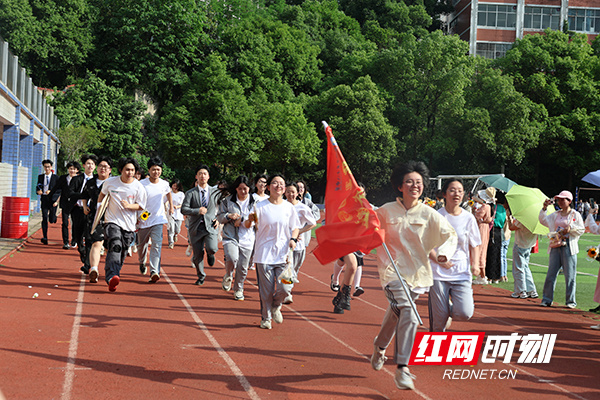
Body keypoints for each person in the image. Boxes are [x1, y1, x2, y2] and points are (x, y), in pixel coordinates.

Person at [370, 161, 457, 391]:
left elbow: (450, 235)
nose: (414, 186)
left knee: (396, 313)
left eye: (418, 182)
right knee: (407, 310)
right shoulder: (386, 210)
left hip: (417, 276)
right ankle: (403, 368)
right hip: (391, 271)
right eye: (409, 181)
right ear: (400, 185)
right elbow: (368, 228)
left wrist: (443, 256)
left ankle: (379, 346)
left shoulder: (429, 214)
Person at [245, 174, 300, 329]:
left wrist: (293, 239)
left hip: (284, 255)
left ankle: (276, 305)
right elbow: (249, 224)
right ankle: (266, 318)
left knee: (286, 287)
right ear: (268, 187)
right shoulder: (260, 206)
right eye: (274, 183)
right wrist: (249, 219)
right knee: (266, 291)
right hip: (264, 254)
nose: (278, 186)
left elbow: (295, 227)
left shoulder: (289, 207)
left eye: (281, 183)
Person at [428, 179, 482, 332]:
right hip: (438, 273)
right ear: (444, 194)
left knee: (465, 313)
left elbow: (475, 243)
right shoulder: (436, 217)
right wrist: (440, 260)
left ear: (464, 194)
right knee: (439, 321)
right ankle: (435, 352)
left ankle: (448, 310)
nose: (456, 193)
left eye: (459, 190)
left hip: (461, 273)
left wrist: (475, 265)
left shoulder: (468, 218)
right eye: (452, 190)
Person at [97, 157, 147, 292]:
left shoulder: (138, 187)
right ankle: (111, 276)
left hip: (129, 226)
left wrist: (129, 206)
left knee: (123, 252)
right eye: (127, 170)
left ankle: (114, 275)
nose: (130, 173)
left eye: (132, 170)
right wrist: (99, 208)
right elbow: (102, 195)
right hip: (112, 221)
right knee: (115, 244)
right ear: (121, 170)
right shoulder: (110, 182)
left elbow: (141, 206)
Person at [538, 190, 584, 308]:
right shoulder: (555, 214)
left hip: (569, 246)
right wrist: (544, 208)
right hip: (556, 245)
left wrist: (571, 228)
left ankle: (570, 301)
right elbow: (543, 220)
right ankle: (547, 299)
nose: (560, 201)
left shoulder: (575, 214)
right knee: (551, 274)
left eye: (563, 199)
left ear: (569, 201)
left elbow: (581, 229)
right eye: (559, 199)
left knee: (570, 275)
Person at [216, 175, 257, 301]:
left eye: (245, 189)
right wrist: (229, 216)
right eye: (240, 189)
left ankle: (239, 289)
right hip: (231, 236)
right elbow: (219, 217)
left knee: (243, 268)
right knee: (232, 258)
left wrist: (243, 219)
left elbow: (258, 218)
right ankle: (228, 275)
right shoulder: (228, 201)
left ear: (249, 188)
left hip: (248, 238)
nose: (243, 192)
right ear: (236, 189)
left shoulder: (255, 202)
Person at [137, 157, 173, 283]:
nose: (156, 172)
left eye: (158, 169)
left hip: (158, 219)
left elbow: (169, 193)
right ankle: (142, 261)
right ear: (149, 170)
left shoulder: (164, 184)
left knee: (157, 245)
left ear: (161, 170)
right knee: (141, 246)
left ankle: (154, 271)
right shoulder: (142, 184)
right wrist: (137, 216)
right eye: (153, 170)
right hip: (144, 218)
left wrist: (171, 207)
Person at [181, 165, 219, 286]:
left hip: (211, 226)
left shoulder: (215, 192)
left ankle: (210, 253)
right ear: (196, 176)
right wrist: (197, 211)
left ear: (208, 176)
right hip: (196, 227)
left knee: (212, 247)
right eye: (200, 173)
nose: (202, 176)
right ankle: (201, 276)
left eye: (205, 173)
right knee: (197, 255)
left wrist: (218, 219)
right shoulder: (190, 193)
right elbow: (184, 209)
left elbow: (222, 207)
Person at [283, 182, 317, 304]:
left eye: (293, 192)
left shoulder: (303, 208)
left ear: (298, 193)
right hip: (284, 244)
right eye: (288, 192)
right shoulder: (282, 206)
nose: (290, 194)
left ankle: (286, 288)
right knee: (288, 268)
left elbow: (312, 223)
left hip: (299, 245)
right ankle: (287, 293)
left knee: (294, 269)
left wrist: (299, 232)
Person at [82, 156, 113, 283]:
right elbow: (84, 195)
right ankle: (94, 269)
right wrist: (84, 206)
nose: (102, 169)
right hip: (95, 217)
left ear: (110, 170)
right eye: (100, 166)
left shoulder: (114, 183)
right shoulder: (90, 182)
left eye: (105, 167)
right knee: (96, 242)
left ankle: (110, 270)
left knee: (110, 247)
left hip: (112, 217)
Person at [69, 154, 98, 273]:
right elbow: (70, 193)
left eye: (92, 164)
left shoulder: (97, 180)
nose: (90, 166)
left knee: (89, 238)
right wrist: (84, 196)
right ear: (84, 165)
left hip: (91, 212)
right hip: (78, 211)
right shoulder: (77, 179)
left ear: (95, 166)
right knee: (78, 237)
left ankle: (87, 264)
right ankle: (83, 252)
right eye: (88, 164)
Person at [49, 161, 80, 249]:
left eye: (74, 169)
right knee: (65, 223)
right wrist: (50, 196)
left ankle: (74, 240)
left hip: (75, 204)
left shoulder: (79, 179)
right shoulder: (63, 178)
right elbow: (56, 188)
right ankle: (65, 242)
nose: (72, 171)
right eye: (70, 169)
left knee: (75, 223)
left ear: (77, 170)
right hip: (65, 203)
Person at [508, 214, 538, 299]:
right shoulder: (536, 219)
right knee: (525, 267)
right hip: (529, 245)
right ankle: (531, 290)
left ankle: (520, 291)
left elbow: (511, 227)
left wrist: (509, 218)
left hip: (520, 244)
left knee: (518, 268)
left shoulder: (524, 218)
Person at [472, 187, 495, 284]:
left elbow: (477, 216)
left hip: (481, 228)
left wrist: (473, 210)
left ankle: (482, 275)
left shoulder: (485, 206)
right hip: (484, 229)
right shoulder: (489, 206)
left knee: (480, 250)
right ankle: (482, 275)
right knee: (482, 250)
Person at [36, 159, 59, 245]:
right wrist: (38, 191)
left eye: (48, 167)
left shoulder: (56, 178)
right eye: (45, 167)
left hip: (52, 200)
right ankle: (45, 236)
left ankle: (54, 217)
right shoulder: (41, 177)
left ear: (51, 167)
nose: (47, 168)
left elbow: (59, 190)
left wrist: (53, 194)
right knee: (44, 217)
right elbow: (38, 186)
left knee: (52, 219)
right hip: (44, 199)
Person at [486, 191, 505, 283]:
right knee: (498, 254)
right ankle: (496, 277)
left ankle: (489, 276)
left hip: (492, 231)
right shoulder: (503, 209)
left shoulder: (493, 207)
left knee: (490, 254)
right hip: (499, 232)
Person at [167, 179, 185, 249]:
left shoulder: (181, 194)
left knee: (177, 229)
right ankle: (171, 242)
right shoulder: (169, 193)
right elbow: (164, 201)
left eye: (176, 186)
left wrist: (177, 206)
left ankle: (175, 235)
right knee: (171, 228)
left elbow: (183, 204)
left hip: (178, 214)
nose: (175, 187)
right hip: (170, 213)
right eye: (173, 185)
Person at [498, 192, 511, 283]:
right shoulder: (509, 211)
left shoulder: (503, 211)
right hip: (508, 235)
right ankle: (504, 274)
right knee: (504, 256)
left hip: (503, 235)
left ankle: (502, 275)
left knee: (501, 256)